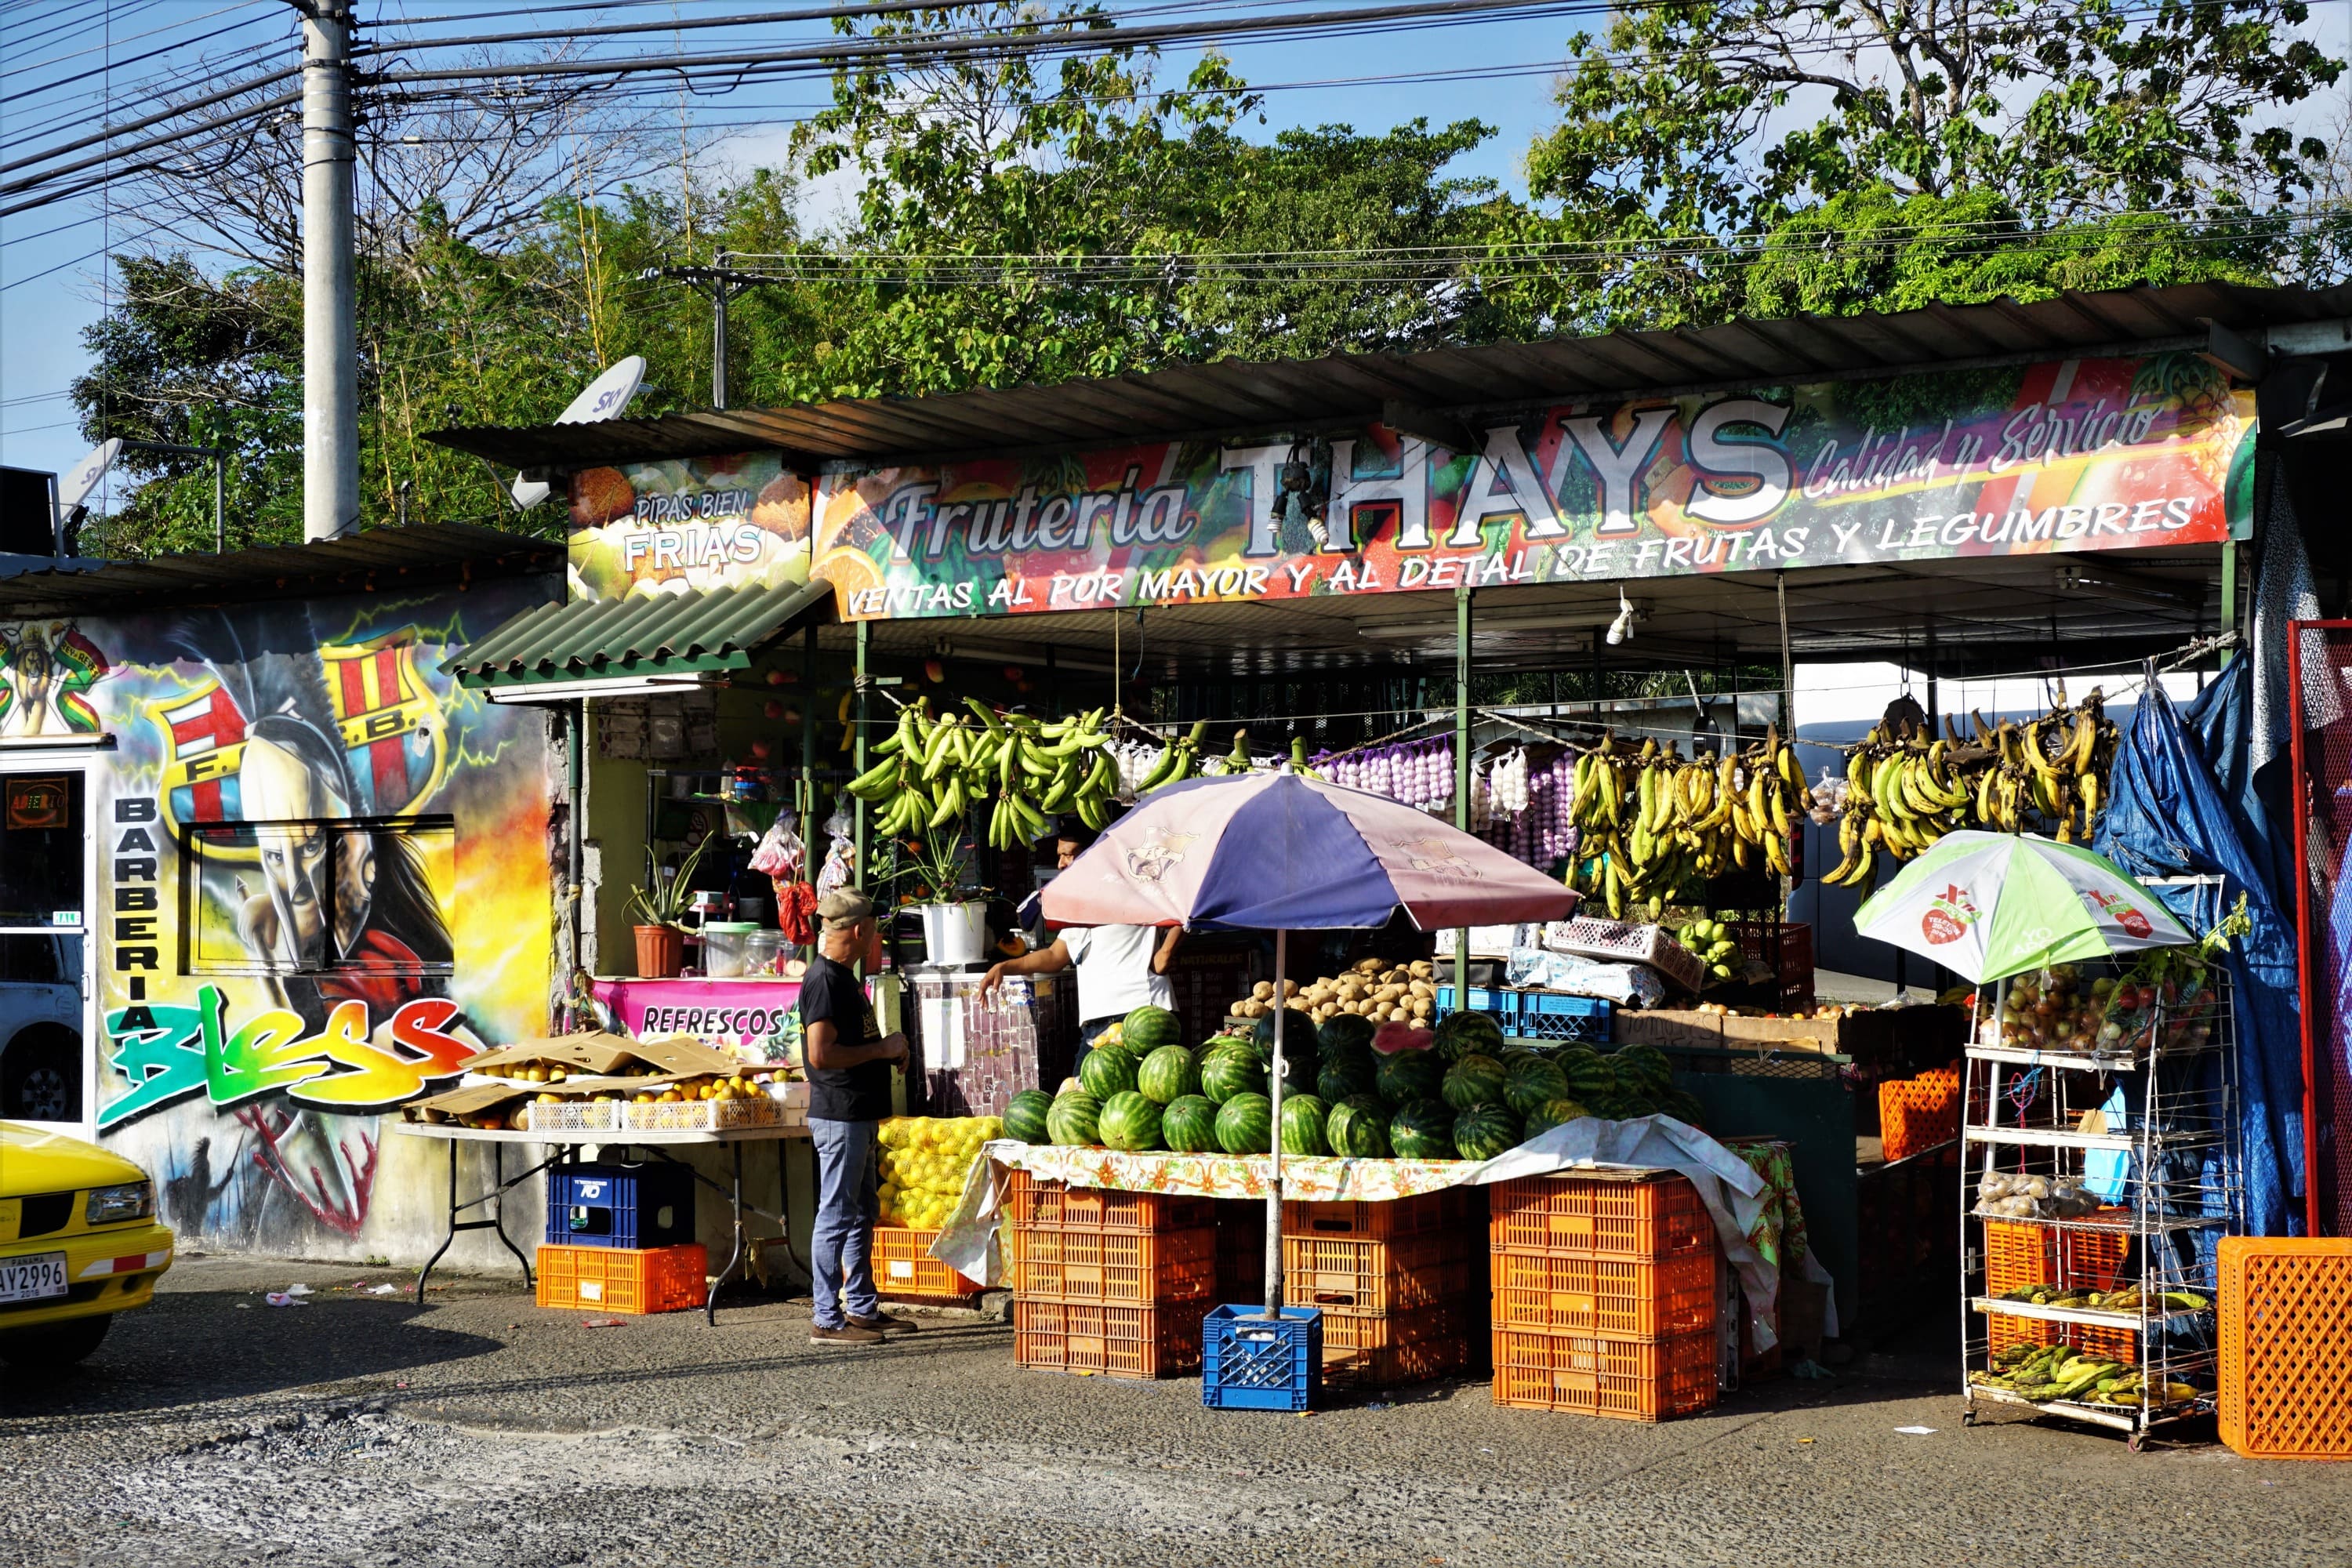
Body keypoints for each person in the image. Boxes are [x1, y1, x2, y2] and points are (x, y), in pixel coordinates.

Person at [797, 888, 918, 1347]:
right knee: (836, 1214)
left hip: (858, 1113)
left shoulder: (844, 978)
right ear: (860, 930)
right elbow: (821, 1054)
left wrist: (889, 1052)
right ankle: (826, 1318)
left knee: (861, 1212)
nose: (877, 938)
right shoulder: (824, 981)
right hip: (841, 1116)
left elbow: (851, 1046)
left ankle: (862, 1309)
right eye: (874, 929)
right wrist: (882, 1049)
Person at [980, 826, 1182, 1062]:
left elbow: (1185, 902)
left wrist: (1167, 951)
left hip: (1141, 1013)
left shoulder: (1132, 887)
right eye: (1060, 856)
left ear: (1093, 854)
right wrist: (1005, 967)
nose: (1061, 864)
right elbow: (1055, 956)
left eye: (1069, 855)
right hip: (1096, 1024)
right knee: (1079, 1086)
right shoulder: (1078, 907)